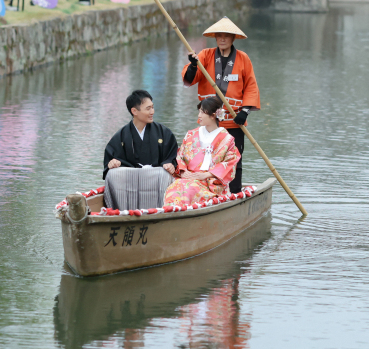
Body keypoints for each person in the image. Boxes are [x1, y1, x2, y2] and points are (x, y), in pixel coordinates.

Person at [182, 17, 260, 193]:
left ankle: (234, 193)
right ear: (215, 38)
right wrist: (194, 66)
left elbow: (251, 86)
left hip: (234, 120)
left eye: (226, 36)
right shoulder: (205, 55)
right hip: (210, 120)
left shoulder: (243, 59)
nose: (222, 39)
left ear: (233, 38)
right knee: (206, 157)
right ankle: (206, 192)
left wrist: (245, 111)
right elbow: (189, 79)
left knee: (234, 160)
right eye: (219, 36)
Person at [163, 97, 241, 208]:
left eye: (202, 112)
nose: (199, 115)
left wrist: (206, 175)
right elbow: (180, 156)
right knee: (175, 187)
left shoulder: (227, 139)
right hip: (189, 177)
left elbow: (230, 164)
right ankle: (172, 213)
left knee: (190, 188)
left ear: (213, 115)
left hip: (212, 182)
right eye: (199, 111)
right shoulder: (191, 134)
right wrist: (183, 172)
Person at [103, 90, 179, 180]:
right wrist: (113, 163)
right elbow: (110, 161)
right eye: (148, 108)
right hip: (130, 181)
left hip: (157, 180)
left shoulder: (164, 132)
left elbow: (173, 157)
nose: (152, 112)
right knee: (113, 173)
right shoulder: (121, 136)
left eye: (152, 107)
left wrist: (170, 164)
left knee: (165, 174)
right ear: (134, 111)